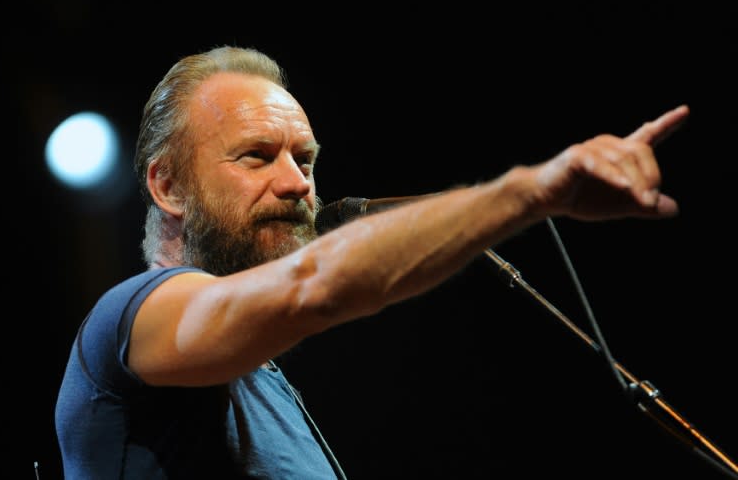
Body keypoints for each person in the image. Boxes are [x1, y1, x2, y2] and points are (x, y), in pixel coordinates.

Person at [54, 44, 689, 479]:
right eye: (256, 156)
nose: (298, 183)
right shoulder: (129, 319)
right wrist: (532, 192)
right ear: (168, 187)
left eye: (304, 160)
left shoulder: (262, 377)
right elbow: (315, 284)